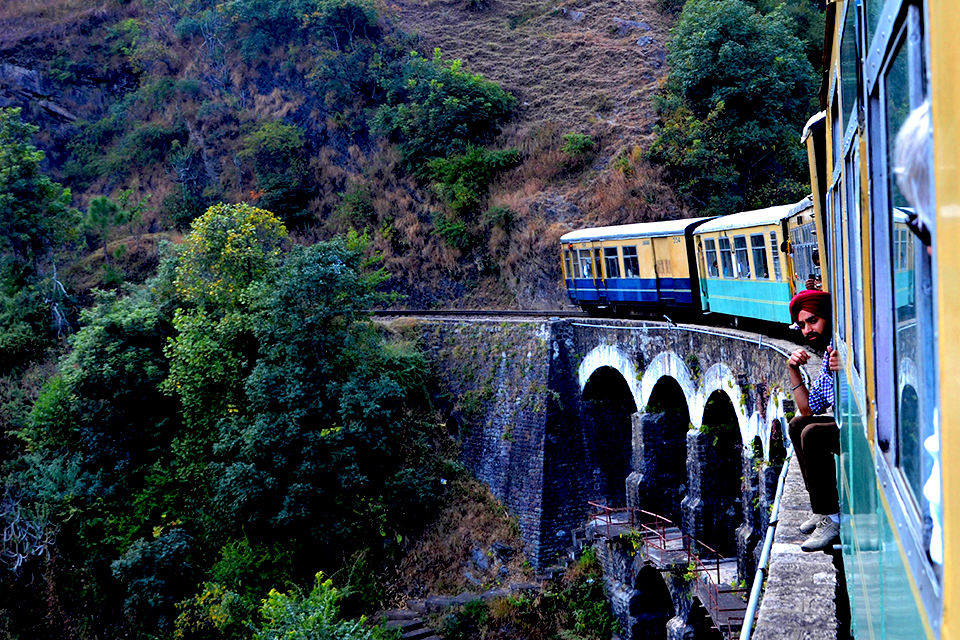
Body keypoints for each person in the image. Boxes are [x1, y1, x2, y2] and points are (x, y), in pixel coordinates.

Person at [786, 289, 841, 552]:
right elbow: (807, 410)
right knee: (797, 425)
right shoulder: (829, 352)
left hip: (867, 428)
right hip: (848, 423)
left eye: (813, 321)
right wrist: (793, 368)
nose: (808, 330)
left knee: (814, 435)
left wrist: (848, 366)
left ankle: (832, 518)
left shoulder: (841, 349)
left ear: (827, 317)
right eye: (802, 325)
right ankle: (821, 510)